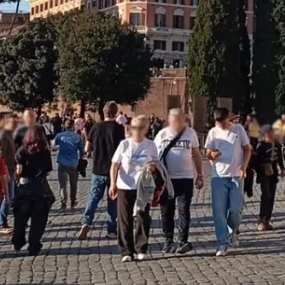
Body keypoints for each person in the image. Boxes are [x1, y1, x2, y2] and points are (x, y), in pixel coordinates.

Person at [153, 108, 203, 255]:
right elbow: (153, 155)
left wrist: (200, 174)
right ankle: (168, 240)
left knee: (184, 211)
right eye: (174, 120)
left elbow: (196, 154)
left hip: (185, 178)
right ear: (169, 121)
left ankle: (183, 241)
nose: (177, 123)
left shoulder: (190, 133)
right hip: (166, 180)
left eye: (180, 120)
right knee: (166, 211)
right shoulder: (162, 134)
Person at [204, 107, 251, 257]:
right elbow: (207, 153)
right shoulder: (213, 132)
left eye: (223, 123)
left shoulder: (238, 130)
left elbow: (247, 149)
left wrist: (244, 165)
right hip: (218, 175)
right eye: (218, 123)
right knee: (219, 211)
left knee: (236, 209)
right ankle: (222, 243)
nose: (221, 126)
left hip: (236, 175)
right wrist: (211, 154)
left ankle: (233, 230)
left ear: (228, 119)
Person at [110, 115, 157, 262]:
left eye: (141, 128)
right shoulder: (124, 144)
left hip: (142, 186)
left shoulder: (150, 145)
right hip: (124, 185)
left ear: (146, 129)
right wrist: (112, 183)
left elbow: (155, 163)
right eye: (134, 127)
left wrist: (151, 167)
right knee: (124, 218)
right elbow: (114, 165)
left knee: (143, 217)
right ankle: (126, 251)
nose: (137, 130)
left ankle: (141, 248)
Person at [79, 101, 125, 241]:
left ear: (103, 112)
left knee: (93, 197)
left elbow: (87, 148)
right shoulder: (118, 128)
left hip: (98, 168)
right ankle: (111, 230)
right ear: (115, 112)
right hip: (114, 169)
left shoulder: (95, 127)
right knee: (113, 200)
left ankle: (86, 221)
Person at [12, 124, 52, 255]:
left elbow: (19, 170)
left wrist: (17, 179)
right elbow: (47, 172)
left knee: (20, 218)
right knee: (38, 220)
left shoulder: (22, 150)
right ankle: (34, 245)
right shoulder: (45, 151)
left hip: (24, 187)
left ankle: (18, 241)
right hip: (39, 188)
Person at [253, 126, 285, 231]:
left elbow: (279, 157)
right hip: (263, 173)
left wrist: (282, 168)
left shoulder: (276, 144)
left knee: (271, 195)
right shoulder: (261, 145)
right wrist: (261, 169)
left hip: (273, 173)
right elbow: (255, 160)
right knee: (266, 194)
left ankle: (267, 220)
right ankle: (261, 220)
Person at [0, 113, 18, 235]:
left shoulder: (9, 134)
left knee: (5, 197)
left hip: (10, 169)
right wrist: (5, 172)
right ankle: (0, 223)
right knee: (7, 197)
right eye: (13, 122)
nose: (15, 124)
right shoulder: (2, 135)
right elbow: (0, 155)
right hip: (4, 170)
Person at [53, 119, 83, 210]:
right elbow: (82, 151)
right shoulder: (77, 137)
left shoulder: (59, 136)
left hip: (62, 162)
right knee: (73, 184)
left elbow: (53, 145)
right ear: (73, 126)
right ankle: (73, 202)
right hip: (73, 163)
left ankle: (63, 203)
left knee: (63, 184)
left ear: (64, 126)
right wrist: (81, 159)